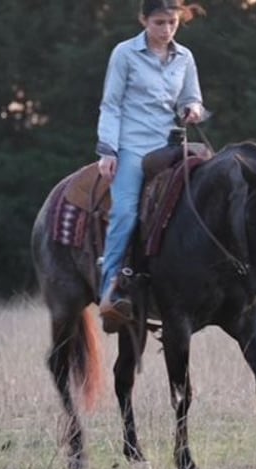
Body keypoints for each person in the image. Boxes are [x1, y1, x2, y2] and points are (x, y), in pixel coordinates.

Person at [96, 0, 207, 328]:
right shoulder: (124, 53)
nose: (166, 29)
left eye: (172, 22)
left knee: (212, 190)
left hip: (170, 144)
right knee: (125, 212)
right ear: (144, 20)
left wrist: (193, 109)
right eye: (159, 22)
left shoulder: (185, 57)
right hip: (132, 146)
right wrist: (108, 151)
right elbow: (111, 104)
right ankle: (110, 288)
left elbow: (192, 97)